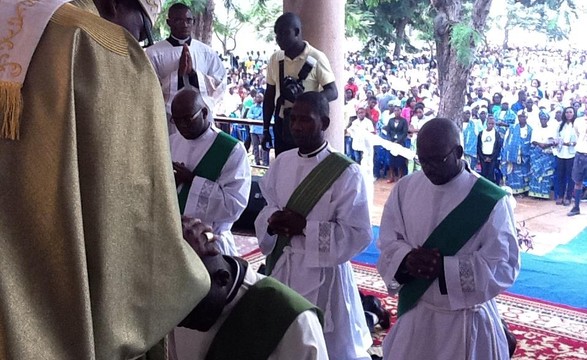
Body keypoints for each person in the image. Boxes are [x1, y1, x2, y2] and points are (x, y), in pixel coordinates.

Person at [0, 0, 211, 359]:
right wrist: (187, 256)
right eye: (143, 28)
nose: (139, 38)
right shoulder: (103, 48)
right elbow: (138, 239)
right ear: (114, 3)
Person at [376, 118, 520, 360]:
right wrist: (407, 259)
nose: (428, 168)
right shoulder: (405, 188)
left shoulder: (490, 200)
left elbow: (504, 265)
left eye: (437, 160)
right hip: (417, 314)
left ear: (459, 152)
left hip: (465, 322)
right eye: (422, 160)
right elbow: (389, 240)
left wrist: (444, 269)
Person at [255, 92, 372, 360]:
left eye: (305, 120)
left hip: (323, 276)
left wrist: (305, 227)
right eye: (292, 119)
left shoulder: (345, 173)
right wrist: (272, 222)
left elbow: (357, 233)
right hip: (283, 266)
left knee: (322, 345)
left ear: (325, 122)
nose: (295, 126)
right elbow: (267, 207)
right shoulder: (281, 162)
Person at [169, 218, 329, 360]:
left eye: (190, 307)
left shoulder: (294, 324)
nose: (183, 321)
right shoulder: (168, 304)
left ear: (222, 278)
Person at [170, 88, 251, 255]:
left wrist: (192, 181)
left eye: (187, 119)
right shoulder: (171, 142)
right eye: (176, 120)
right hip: (173, 238)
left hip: (210, 241)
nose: (182, 126)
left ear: (204, 112)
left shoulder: (231, 149)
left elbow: (234, 206)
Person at [261, 12, 338, 156]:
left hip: (308, 126)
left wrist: (309, 99)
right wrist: (266, 129)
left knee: (307, 167)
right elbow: (269, 96)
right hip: (283, 125)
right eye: (277, 34)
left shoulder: (316, 57)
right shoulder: (275, 59)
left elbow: (333, 91)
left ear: (296, 32)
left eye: (284, 33)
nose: (279, 39)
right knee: (284, 166)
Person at [146, 2, 226, 134]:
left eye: (188, 20)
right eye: (178, 20)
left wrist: (194, 75)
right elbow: (149, 88)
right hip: (169, 120)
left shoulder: (206, 52)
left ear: (193, 22)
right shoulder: (153, 53)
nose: (184, 25)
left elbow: (220, 83)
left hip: (201, 117)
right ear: (169, 22)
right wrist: (177, 75)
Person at [500, 110, 533, 194]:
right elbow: (506, 141)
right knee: (513, 173)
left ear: (526, 118)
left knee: (523, 173)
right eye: (520, 117)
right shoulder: (512, 128)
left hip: (524, 156)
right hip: (512, 156)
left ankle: (524, 191)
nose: (521, 118)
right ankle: (514, 191)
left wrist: (523, 151)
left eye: (523, 117)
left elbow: (530, 142)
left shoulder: (529, 129)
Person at [529, 111, 557, 199]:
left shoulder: (552, 129)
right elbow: (533, 140)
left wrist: (546, 145)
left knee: (546, 175)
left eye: (545, 119)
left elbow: (554, 141)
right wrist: (540, 144)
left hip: (548, 155)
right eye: (541, 119)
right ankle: (534, 193)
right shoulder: (536, 129)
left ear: (547, 119)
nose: (543, 120)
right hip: (537, 154)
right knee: (535, 173)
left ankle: (544, 194)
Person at [554, 106, 577, 206]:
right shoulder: (560, 125)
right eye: (567, 112)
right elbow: (556, 137)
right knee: (560, 175)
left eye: (570, 112)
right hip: (561, 153)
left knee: (570, 177)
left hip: (571, 154)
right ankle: (560, 196)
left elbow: (579, 139)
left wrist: (570, 144)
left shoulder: (576, 126)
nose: (568, 114)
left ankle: (568, 197)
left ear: (574, 113)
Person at [568, 113, 587, 216]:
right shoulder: (578, 121)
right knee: (577, 181)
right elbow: (577, 135)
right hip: (580, 155)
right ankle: (576, 207)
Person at [477, 117, 503, 185]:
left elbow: (498, 147)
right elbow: (479, 146)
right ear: (486, 123)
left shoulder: (496, 134)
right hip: (483, 157)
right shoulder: (481, 133)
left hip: (492, 157)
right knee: (483, 174)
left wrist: (491, 158)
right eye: (489, 123)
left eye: (492, 124)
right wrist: (483, 157)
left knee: (491, 174)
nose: (491, 125)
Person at [247, 92, 270, 166]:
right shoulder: (252, 107)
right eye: (257, 97)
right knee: (255, 147)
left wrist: (254, 117)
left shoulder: (265, 108)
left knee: (264, 147)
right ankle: (257, 162)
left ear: (262, 99)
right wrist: (256, 115)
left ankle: (265, 163)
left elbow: (262, 118)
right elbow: (248, 115)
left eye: (260, 97)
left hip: (261, 130)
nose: (258, 98)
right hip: (253, 130)